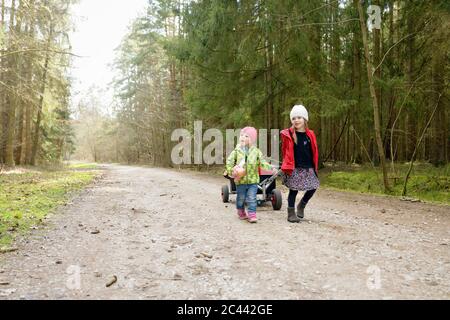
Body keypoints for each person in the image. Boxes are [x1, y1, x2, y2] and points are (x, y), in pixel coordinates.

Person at [225, 127, 275, 223]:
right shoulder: (237, 151)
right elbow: (229, 161)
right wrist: (231, 170)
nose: (242, 137)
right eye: (241, 135)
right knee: (241, 198)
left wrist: (271, 168)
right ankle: (240, 211)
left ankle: (252, 214)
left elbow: (262, 162)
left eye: (246, 136)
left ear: (252, 139)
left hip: (253, 180)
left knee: (252, 198)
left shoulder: (256, 151)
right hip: (241, 180)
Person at [281, 105, 320, 223]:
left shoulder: (310, 135)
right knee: (294, 190)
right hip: (295, 167)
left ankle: (301, 205)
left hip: (308, 167)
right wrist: (286, 165)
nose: (296, 120)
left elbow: (314, 150)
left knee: (313, 186)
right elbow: (285, 151)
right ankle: (291, 213)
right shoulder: (289, 135)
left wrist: (314, 166)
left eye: (299, 117)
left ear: (305, 119)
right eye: (293, 118)